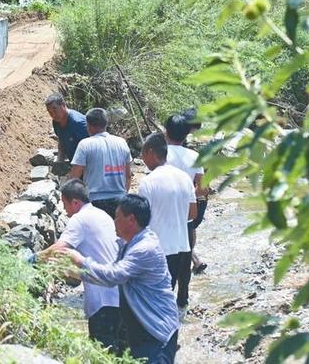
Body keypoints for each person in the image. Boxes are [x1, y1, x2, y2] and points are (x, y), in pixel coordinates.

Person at [60, 194, 180, 363]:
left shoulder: (144, 249)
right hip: (142, 330)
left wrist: (80, 261)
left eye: (117, 217)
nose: (114, 221)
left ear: (131, 220)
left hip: (156, 331)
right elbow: (110, 277)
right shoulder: (128, 244)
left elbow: (113, 276)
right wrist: (76, 273)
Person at [38, 180, 120, 350]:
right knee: (120, 353)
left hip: (103, 300)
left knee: (103, 353)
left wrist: (34, 258)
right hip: (120, 295)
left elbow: (60, 249)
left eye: (65, 204)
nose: (65, 210)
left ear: (75, 202)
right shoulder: (102, 215)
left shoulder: (80, 219)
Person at [138, 133, 196, 321]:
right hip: (180, 247)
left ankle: (163, 337)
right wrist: (175, 217)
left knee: (154, 299)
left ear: (151, 152)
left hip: (158, 249)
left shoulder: (148, 182)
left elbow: (141, 221)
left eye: (142, 154)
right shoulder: (184, 178)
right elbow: (192, 214)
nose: (142, 159)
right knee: (168, 293)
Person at [165, 114, 209, 275]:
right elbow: (203, 188)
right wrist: (189, 198)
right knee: (187, 240)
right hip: (189, 208)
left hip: (166, 207)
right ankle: (183, 296)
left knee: (166, 248)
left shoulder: (161, 155)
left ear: (166, 132)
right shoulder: (194, 156)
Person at [70, 108, 132, 219]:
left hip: (95, 202)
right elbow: (128, 176)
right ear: (106, 123)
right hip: (120, 200)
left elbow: (74, 178)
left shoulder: (85, 144)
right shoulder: (122, 142)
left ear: (88, 125)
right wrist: (124, 196)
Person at [45, 93, 89, 163]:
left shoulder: (78, 123)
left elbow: (92, 150)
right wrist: (59, 161)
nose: (53, 114)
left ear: (63, 104)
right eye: (50, 112)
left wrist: (77, 170)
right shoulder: (56, 122)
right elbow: (62, 141)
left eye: (55, 110)